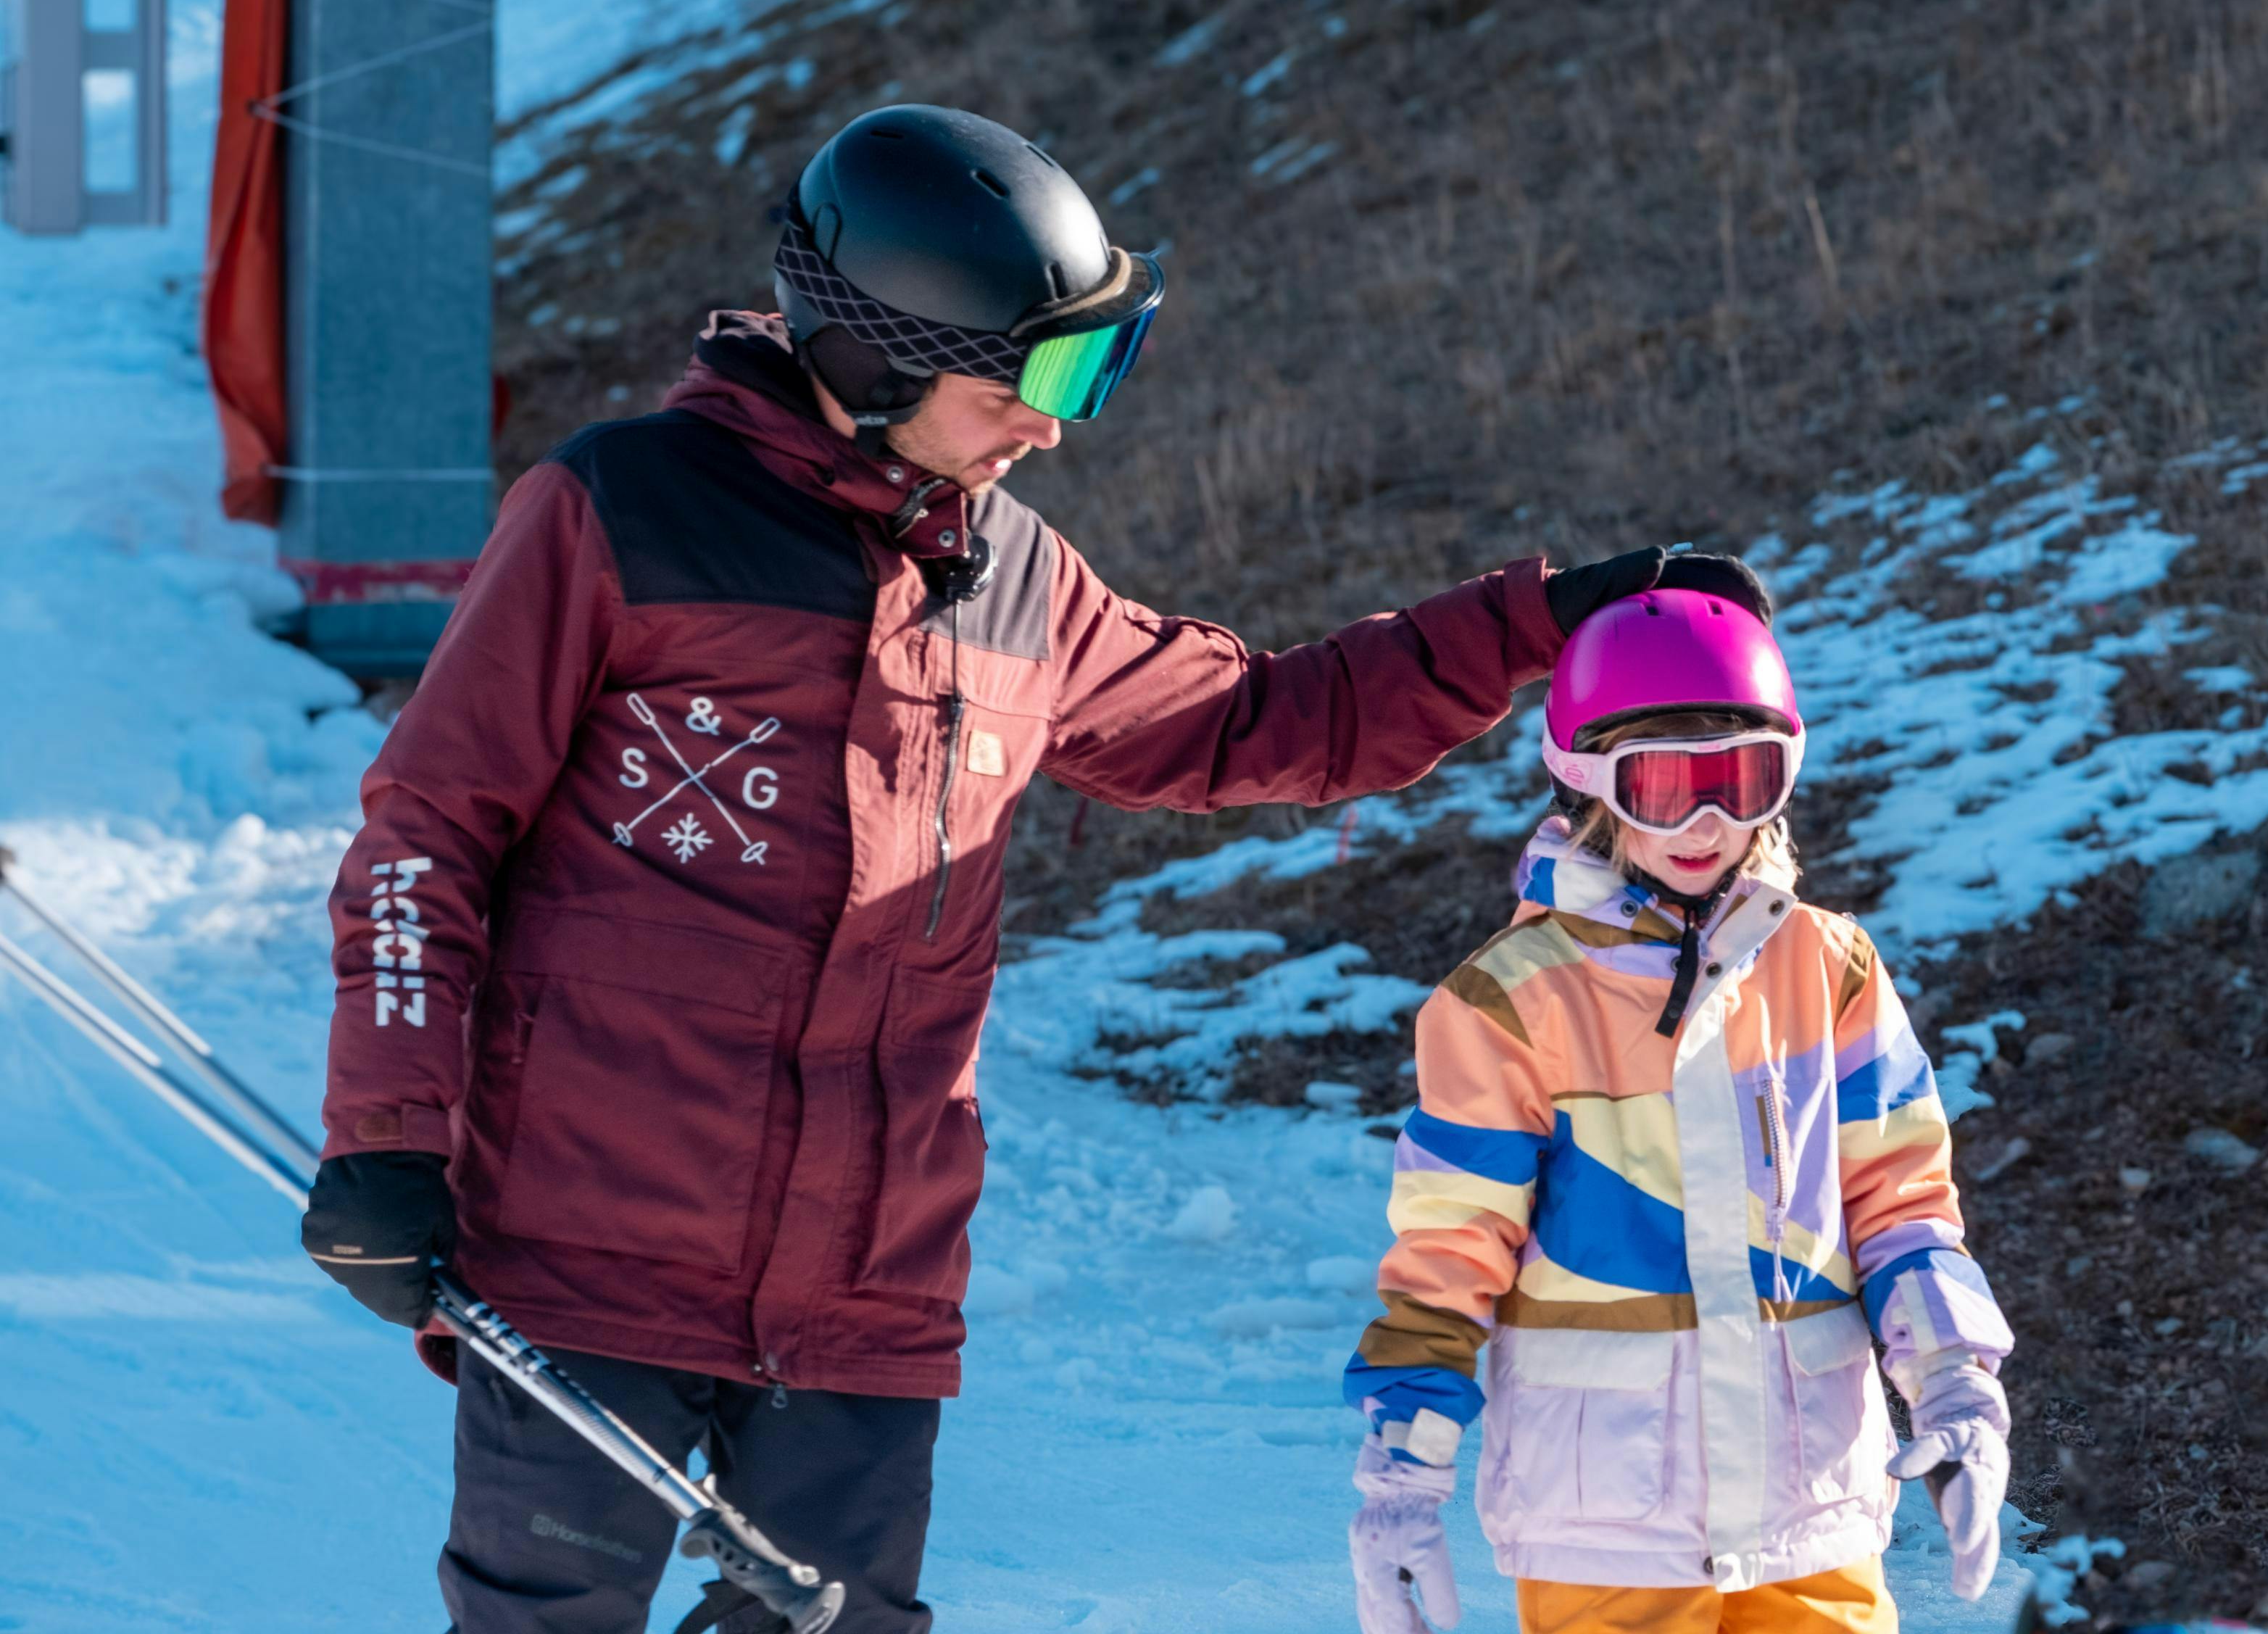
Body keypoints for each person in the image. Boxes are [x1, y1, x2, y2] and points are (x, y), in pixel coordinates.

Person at [294, 103, 1758, 1634]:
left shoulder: (1013, 582)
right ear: (883, 358)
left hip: (865, 1292)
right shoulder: (619, 514)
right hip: (593, 1255)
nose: (1058, 422)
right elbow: (427, 832)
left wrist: (1551, 616)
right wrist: (390, 1132)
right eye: (1044, 372)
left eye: (1093, 371)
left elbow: (1262, 719)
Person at [1341, 586, 2017, 1634]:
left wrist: (1956, 1388)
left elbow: (1903, 1206)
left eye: (1742, 782)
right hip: (1605, 1525)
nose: (1707, 825)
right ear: (1588, 785)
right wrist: (1400, 1485)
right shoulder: (1512, 999)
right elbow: (1448, 1259)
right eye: (1661, 787)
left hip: (1813, 1512)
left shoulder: (1827, 967)